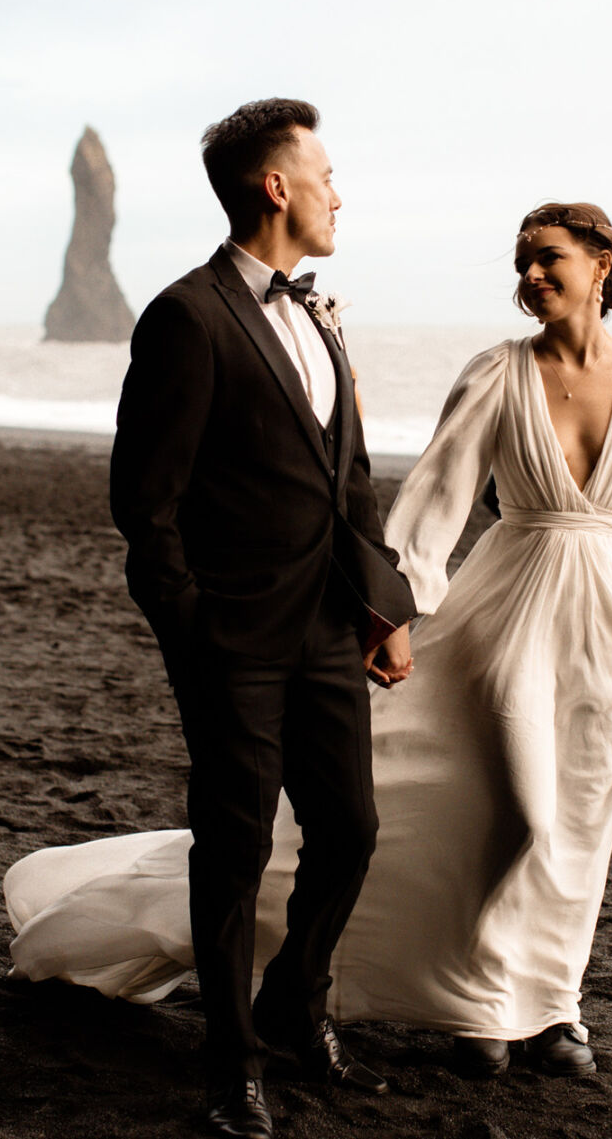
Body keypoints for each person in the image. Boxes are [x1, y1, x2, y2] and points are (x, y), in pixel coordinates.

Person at [6, 201, 612, 1094]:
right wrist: (390, 614)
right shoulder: (498, 373)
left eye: (550, 258)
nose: (531, 276)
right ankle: (484, 998)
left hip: (610, 626)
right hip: (511, 614)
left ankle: (553, 1003)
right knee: (519, 816)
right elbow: (431, 509)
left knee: (579, 826)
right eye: (524, 261)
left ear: (603, 261)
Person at [99, 98, 413, 1139]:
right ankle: (231, 1060)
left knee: (353, 830)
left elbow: (350, 478)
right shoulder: (186, 318)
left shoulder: (324, 316)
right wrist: (192, 636)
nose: (338, 192)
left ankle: (296, 998)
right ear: (276, 188)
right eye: (325, 175)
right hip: (232, 642)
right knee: (231, 852)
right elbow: (145, 505)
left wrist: (383, 604)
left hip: (329, 630)